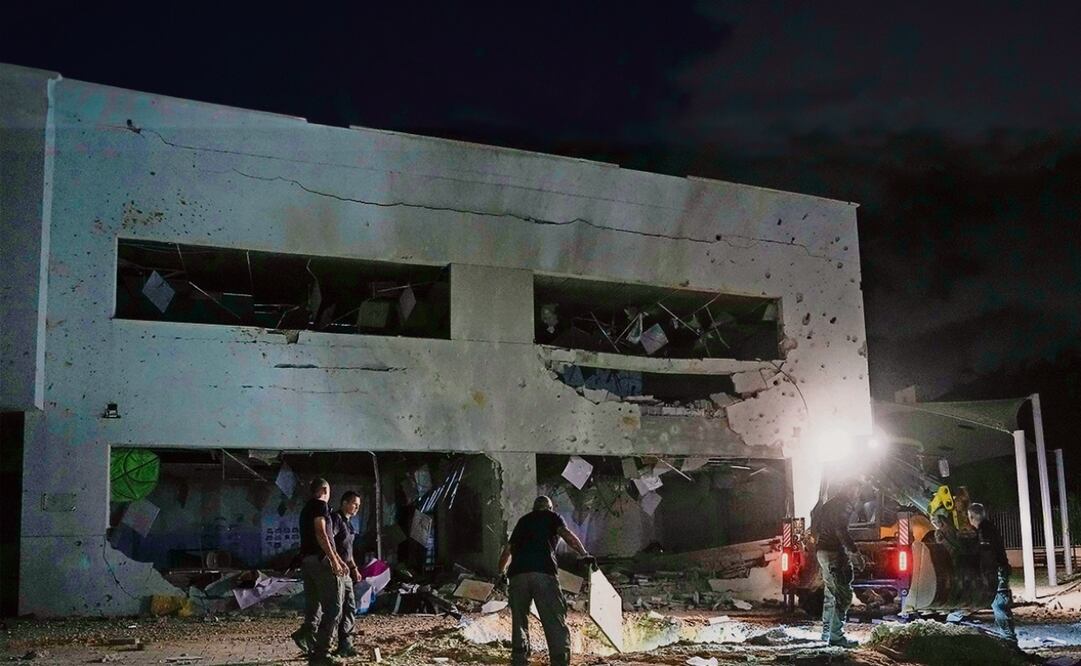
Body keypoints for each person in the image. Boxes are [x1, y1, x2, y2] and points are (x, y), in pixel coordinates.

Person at [498, 496, 593, 666]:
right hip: (543, 573)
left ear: (534, 508)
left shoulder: (523, 521)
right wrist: (584, 554)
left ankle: (520, 659)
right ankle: (559, 660)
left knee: (519, 619)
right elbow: (568, 536)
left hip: (517, 575)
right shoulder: (552, 517)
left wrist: (501, 573)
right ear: (549, 508)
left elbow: (507, 551)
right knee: (553, 618)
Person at [291, 478, 350, 666]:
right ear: (324, 489)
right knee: (334, 608)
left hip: (308, 562)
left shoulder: (306, 509)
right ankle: (322, 653)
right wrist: (334, 560)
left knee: (314, 604)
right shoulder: (320, 506)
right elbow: (321, 534)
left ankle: (308, 637)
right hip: (320, 562)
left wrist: (340, 560)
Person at [809, 485, 867, 648]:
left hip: (823, 552)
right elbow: (841, 530)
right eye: (857, 490)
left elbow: (816, 525)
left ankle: (827, 633)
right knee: (843, 595)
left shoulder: (828, 504)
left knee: (831, 594)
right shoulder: (843, 505)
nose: (858, 494)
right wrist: (854, 553)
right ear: (850, 489)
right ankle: (835, 636)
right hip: (834, 554)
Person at [967, 502, 1017, 643]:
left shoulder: (983, 531)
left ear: (972, 516)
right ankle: (1008, 639)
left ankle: (1009, 641)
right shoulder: (989, 527)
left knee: (999, 604)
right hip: (999, 569)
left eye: (969, 517)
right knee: (997, 602)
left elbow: (985, 553)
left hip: (996, 571)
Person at [329, 491, 362, 658]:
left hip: (347, 571)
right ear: (344, 503)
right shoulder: (335, 519)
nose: (356, 508)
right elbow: (329, 542)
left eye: (358, 505)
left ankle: (346, 644)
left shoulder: (349, 524)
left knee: (350, 606)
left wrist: (354, 567)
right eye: (354, 504)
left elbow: (348, 550)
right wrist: (337, 562)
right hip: (336, 570)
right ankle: (323, 647)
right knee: (336, 609)